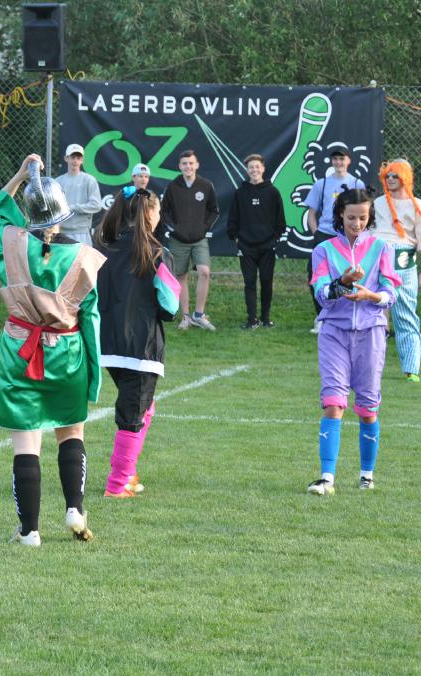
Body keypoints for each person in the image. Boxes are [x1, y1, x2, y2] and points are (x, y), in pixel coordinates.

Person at [0, 153, 106, 547]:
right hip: (67, 353)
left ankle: (30, 530)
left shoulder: (11, 244)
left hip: (20, 350)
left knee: (26, 441)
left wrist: (19, 175)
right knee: (72, 430)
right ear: (63, 214)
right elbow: (91, 319)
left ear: (28, 214)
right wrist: (93, 375)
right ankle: (75, 509)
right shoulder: (83, 258)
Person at [306, 188, 401, 496]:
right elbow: (322, 294)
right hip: (334, 332)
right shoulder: (323, 250)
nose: (357, 223)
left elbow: (390, 293)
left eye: (362, 217)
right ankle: (326, 478)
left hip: (371, 334)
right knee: (333, 403)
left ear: (369, 217)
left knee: (367, 409)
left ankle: (366, 475)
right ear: (340, 215)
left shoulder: (382, 248)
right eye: (351, 217)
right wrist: (342, 283)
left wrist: (371, 295)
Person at [95, 186, 180, 498]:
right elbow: (170, 306)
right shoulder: (157, 253)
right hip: (141, 348)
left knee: (144, 406)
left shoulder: (102, 248)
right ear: (150, 213)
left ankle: (127, 473)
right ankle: (117, 485)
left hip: (108, 346)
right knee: (132, 416)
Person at [373, 159, 421, 383]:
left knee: (405, 316)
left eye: (395, 175)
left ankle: (411, 368)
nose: (391, 179)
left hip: (403, 265)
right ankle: (371, 365)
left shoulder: (419, 206)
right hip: (377, 261)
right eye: (388, 175)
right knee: (374, 315)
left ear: (405, 177)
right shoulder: (377, 204)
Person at [303, 144, 366, 334]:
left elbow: (363, 212)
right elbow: (311, 213)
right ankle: (321, 316)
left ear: (349, 161)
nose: (339, 162)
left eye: (342, 159)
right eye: (335, 159)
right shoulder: (321, 184)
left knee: (347, 274)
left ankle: (345, 316)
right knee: (317, 275)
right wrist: (316, 233)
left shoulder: (357, 184)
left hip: (347, 236)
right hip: (324, 234)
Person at [159, 149, 219, 331]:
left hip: (199, 239)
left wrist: (204, 228)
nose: (188, 166)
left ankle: (199, 315)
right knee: (180, 276)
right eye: (184, 163)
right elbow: (164, 212)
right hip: (178, 240)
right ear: (180, 166)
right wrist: (175, 229)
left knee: (204, 272)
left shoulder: (206, 185)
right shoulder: (172, 186)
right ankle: (186, 317)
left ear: (197, 165)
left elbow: (214, 211)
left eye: (191, 163)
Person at [226, 153, 287, 329]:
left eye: (257, 167)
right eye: (251, 167)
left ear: (263, 169)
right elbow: (233, 219)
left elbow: (280, 221)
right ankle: (252, 319)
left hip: (267, 246)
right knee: (250, 282)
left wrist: (274, 238)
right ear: (247, 170)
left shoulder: (272, 192)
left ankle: (265, 318)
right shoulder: (240, 193)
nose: (254, 170)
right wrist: (237, 238)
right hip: (246, 247)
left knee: (267, 281)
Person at [54, 143, 102, 246]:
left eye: (78, 158)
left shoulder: (89, 180)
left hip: (82, 233)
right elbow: (53, 208)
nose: (75, 161)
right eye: (72, 157)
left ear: (82, 160)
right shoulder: (57, 182)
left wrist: (72, 208)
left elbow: (96, 205)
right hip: (61, 234)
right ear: (66, 158)